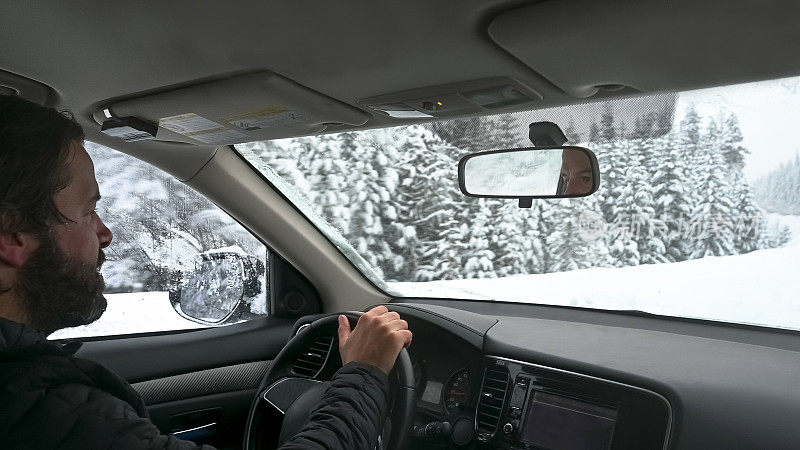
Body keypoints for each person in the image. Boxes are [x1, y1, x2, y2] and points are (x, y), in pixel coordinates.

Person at [0, 95, 412, 449]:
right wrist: (365, 374)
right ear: (11, 236)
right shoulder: (47, 411)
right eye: (88, 210)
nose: (105, 234)